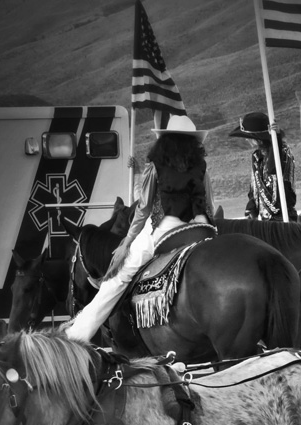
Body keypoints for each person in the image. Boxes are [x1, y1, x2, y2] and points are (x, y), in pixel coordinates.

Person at [64, 115, 214, 343]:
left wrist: (126, 242)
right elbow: (210, 205)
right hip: (201, 229)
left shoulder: (156, 166)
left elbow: (143, 210)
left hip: (166, 231)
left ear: (164, 140)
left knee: (118, 277)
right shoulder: (203, 167)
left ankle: (76, 335)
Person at [230, 111, 297, 221]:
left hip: (283, 216)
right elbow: (254, 186)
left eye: (249, 136)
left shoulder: (283, 153)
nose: (247, 139)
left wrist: (277, 138)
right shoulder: (256, 156)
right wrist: (251, 208)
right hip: (264, 219)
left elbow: (273, 169)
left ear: (258, 138)